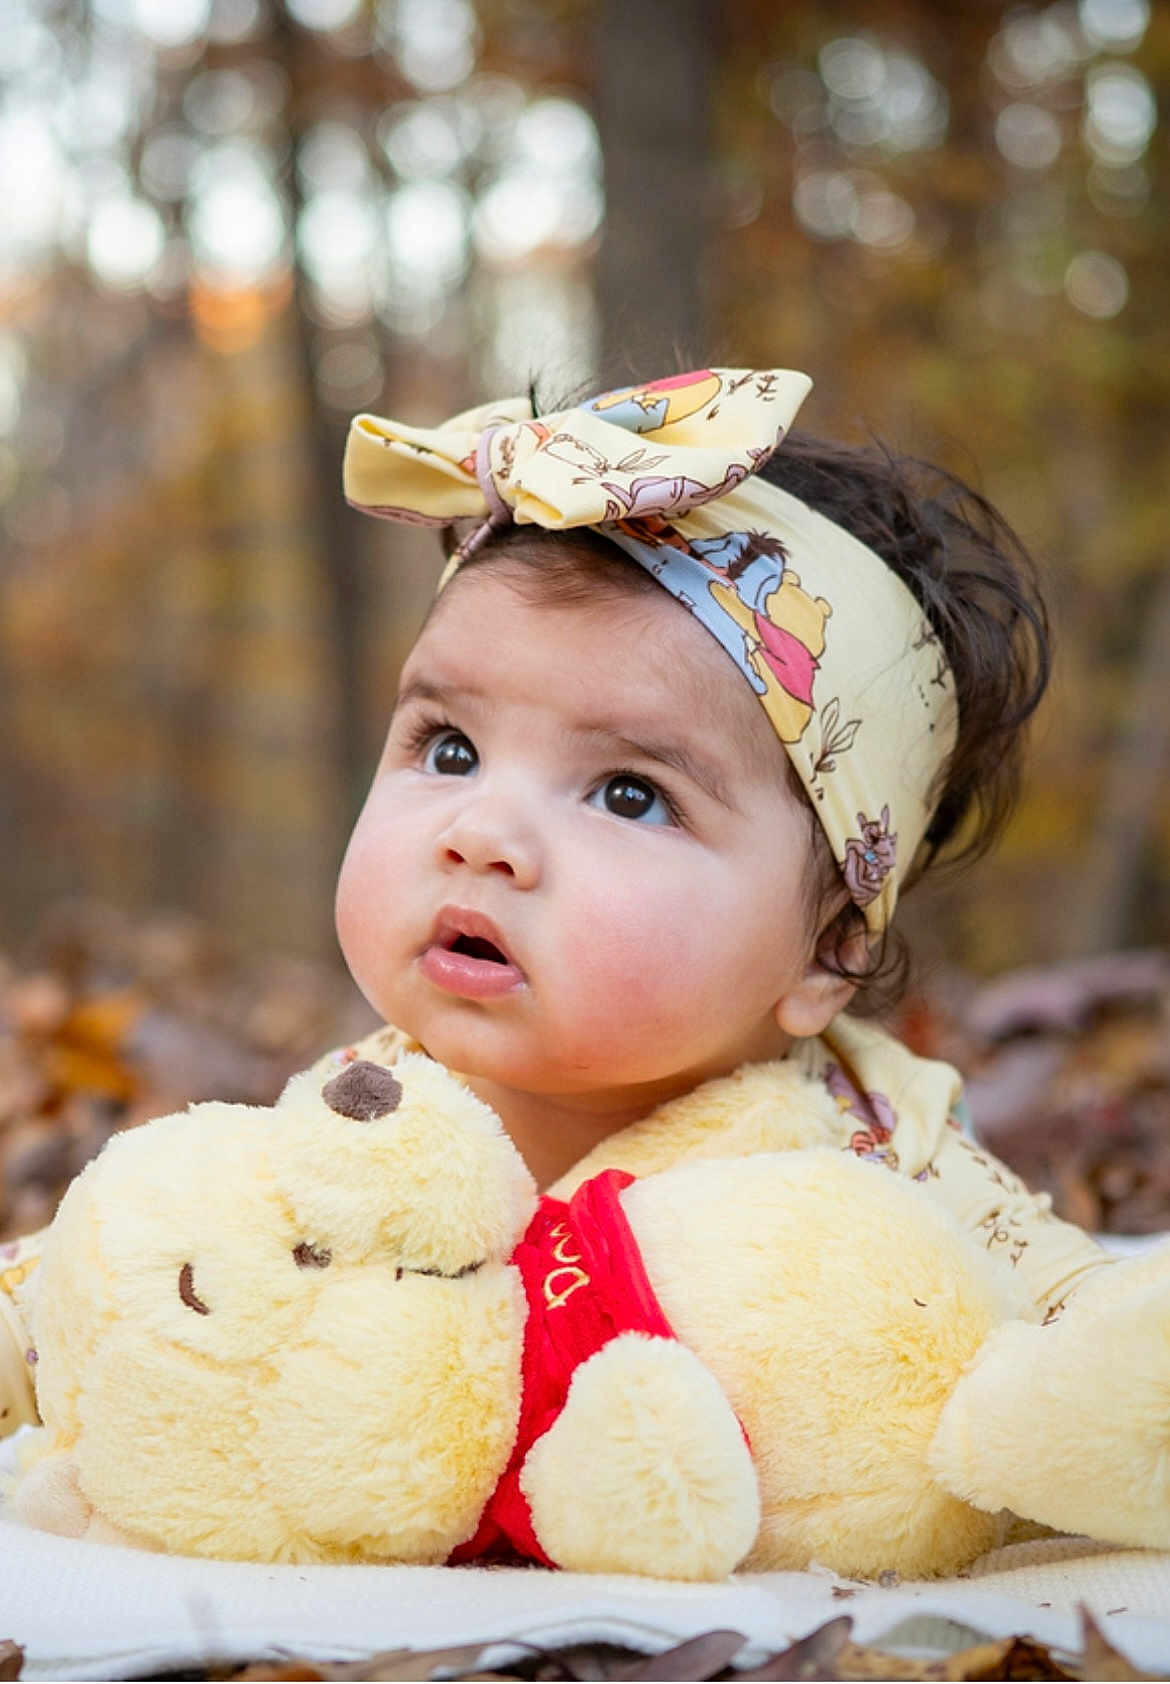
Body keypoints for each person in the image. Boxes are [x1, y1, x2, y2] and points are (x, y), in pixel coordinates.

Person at [0, 366, 1112, 1446]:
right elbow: (95, 1291)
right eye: (450, 747)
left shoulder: (884, 1153)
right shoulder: (357, 1124)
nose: (480, 832)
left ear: (826, 951)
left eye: (629, 794)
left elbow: (1092, 1346)